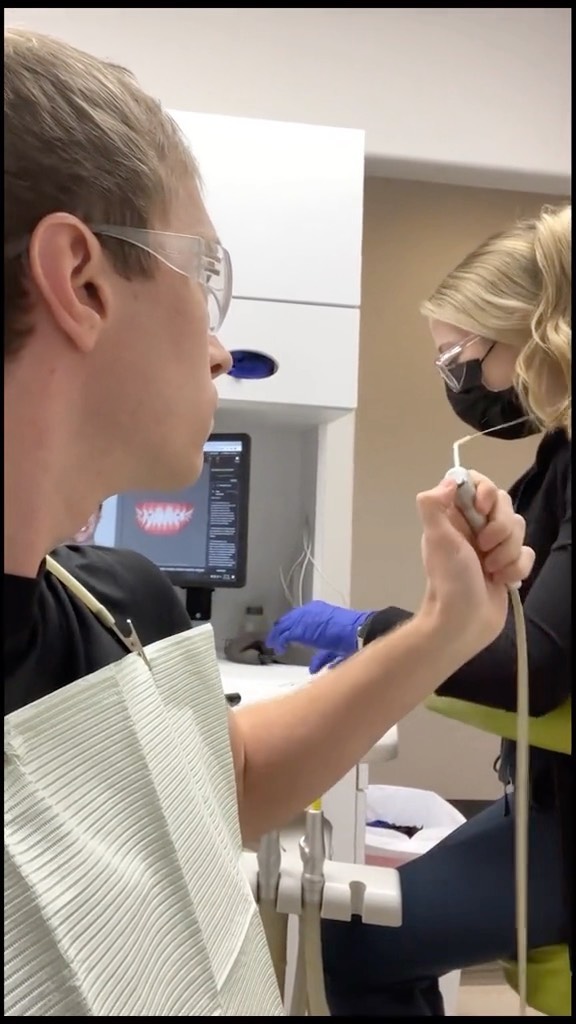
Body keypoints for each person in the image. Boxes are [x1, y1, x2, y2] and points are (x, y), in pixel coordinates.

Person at [4, 28, 534, 1015]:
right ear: (80, 280)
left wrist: (444, 628)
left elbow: (222, 782)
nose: (220, 349)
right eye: (203, 273)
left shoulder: (119, 598)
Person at [267, 205, 572, 1015]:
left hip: (562, 822)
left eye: (458, 357)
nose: (455, 383)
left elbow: (536, 669)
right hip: (545, 797)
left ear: (536, 332)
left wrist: (375, 631)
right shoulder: (556, 457)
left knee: (357, 946)